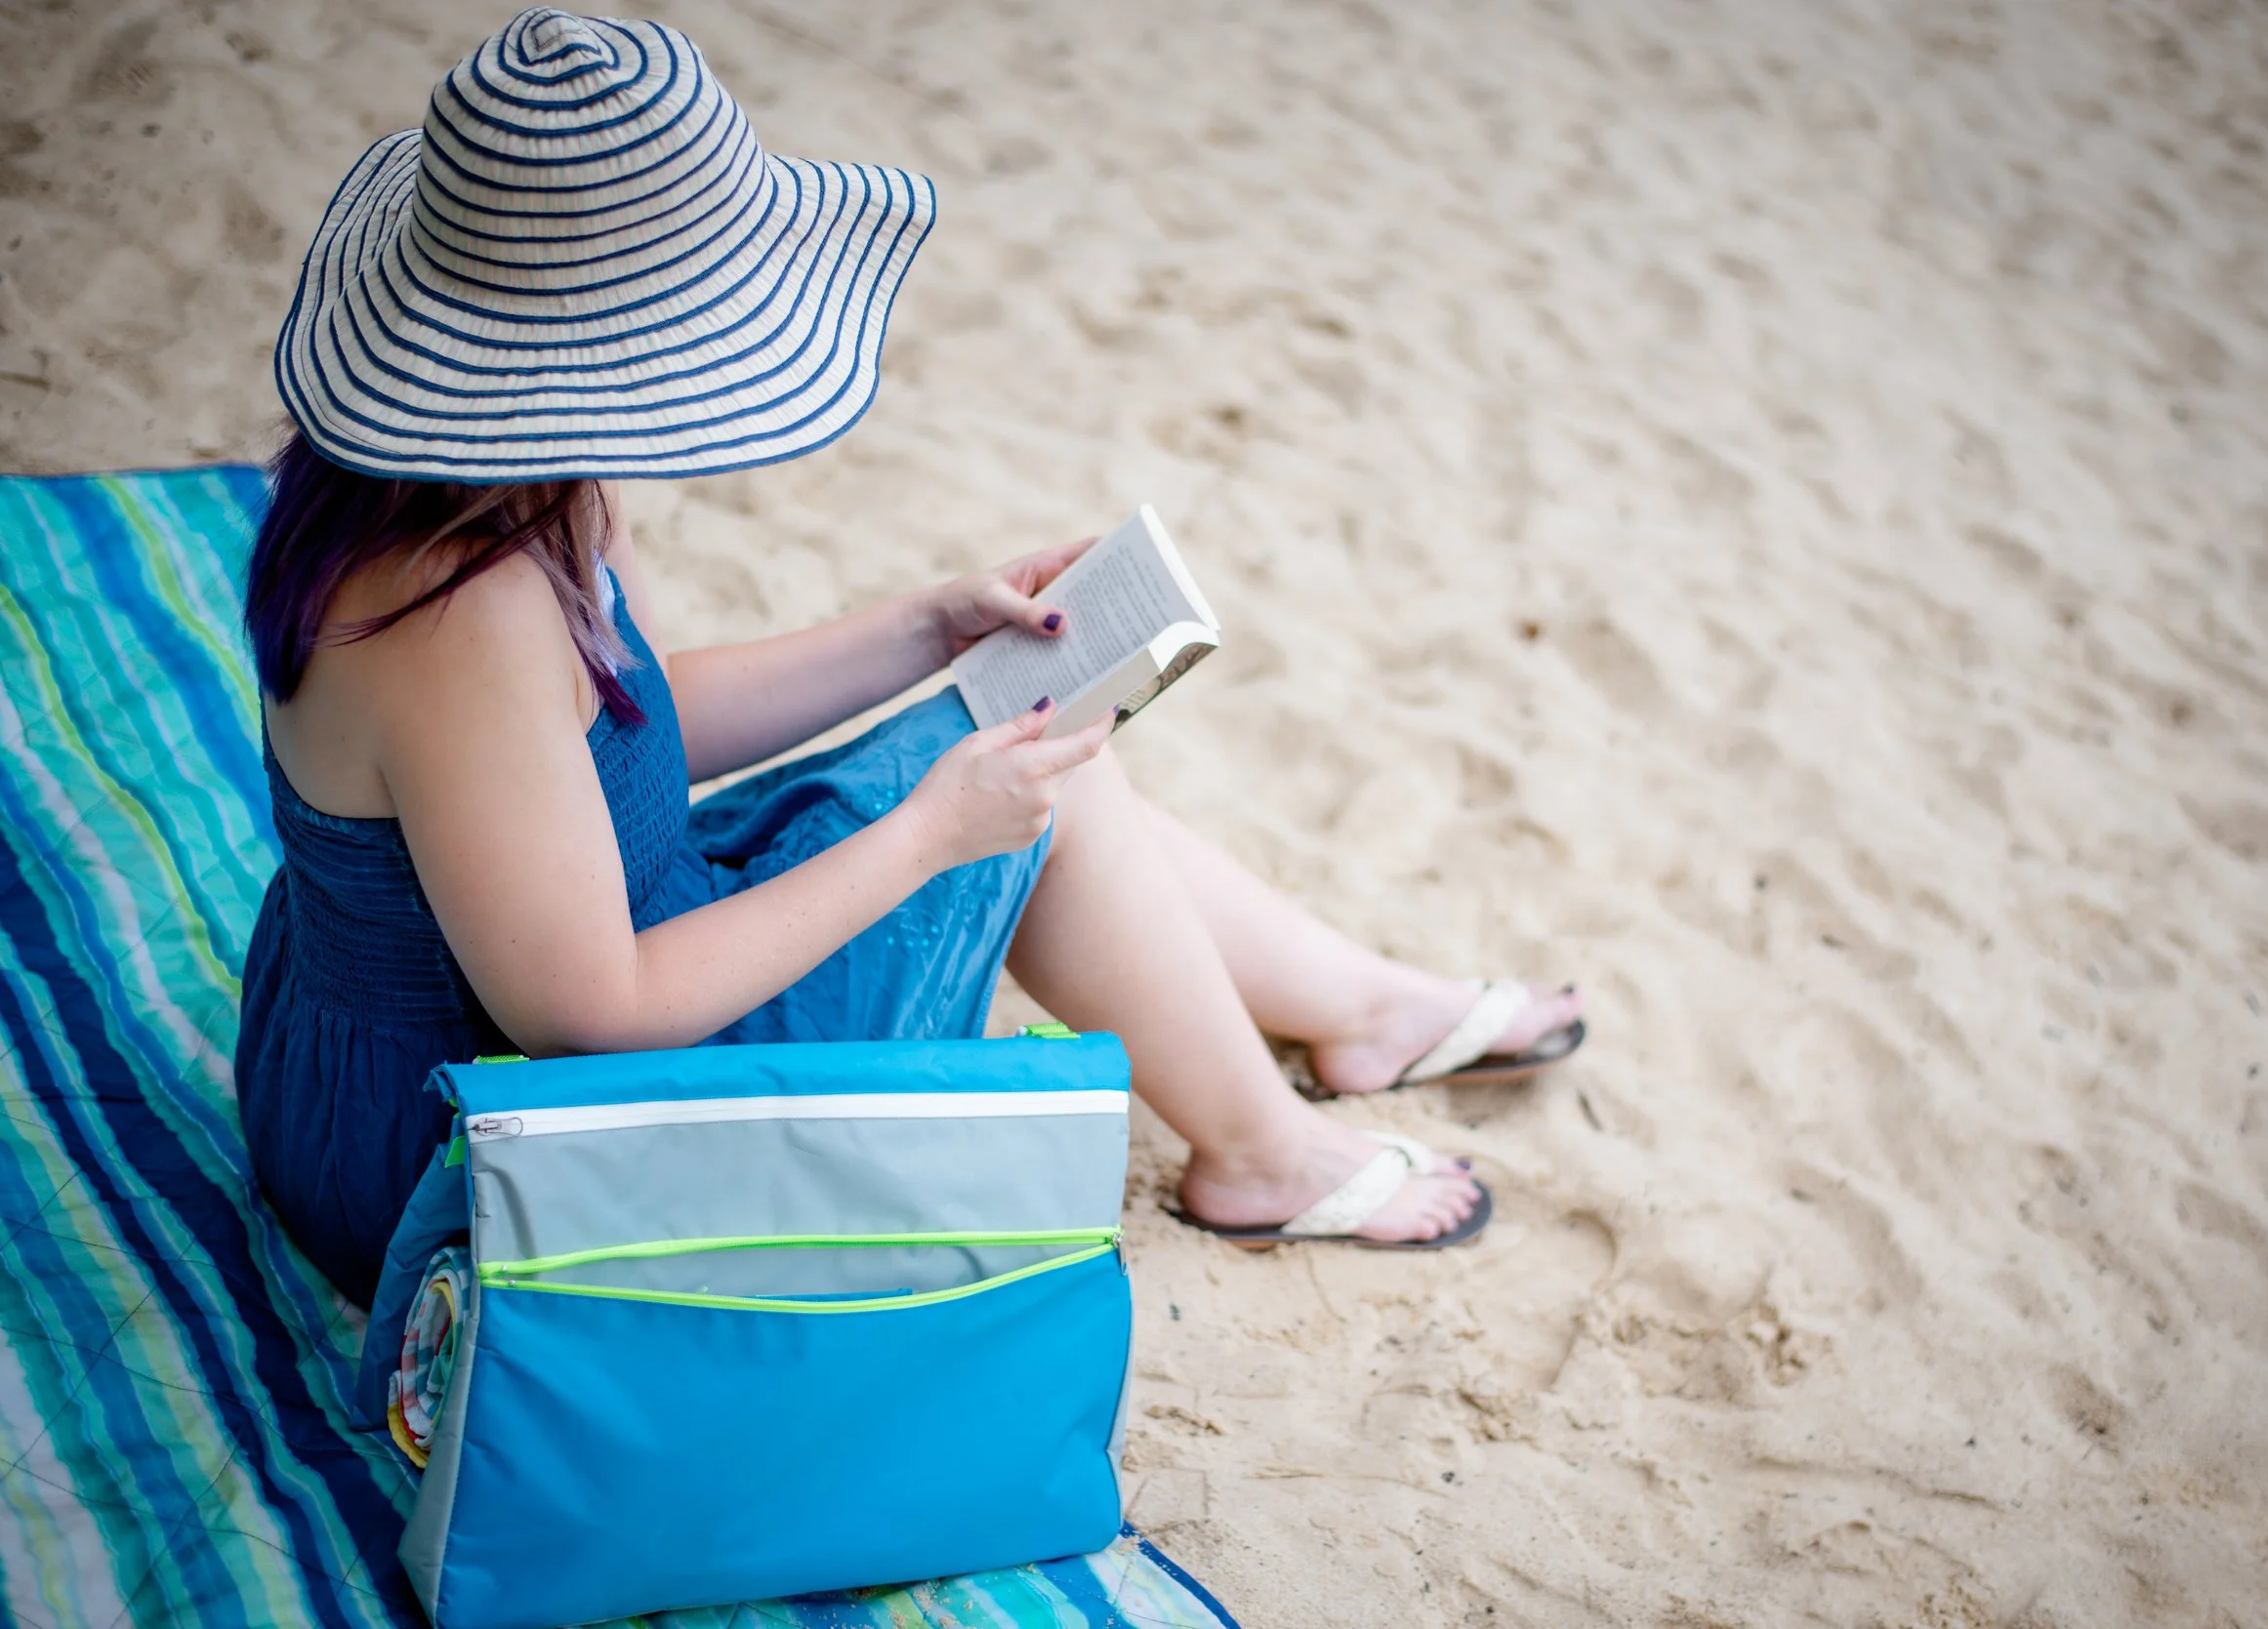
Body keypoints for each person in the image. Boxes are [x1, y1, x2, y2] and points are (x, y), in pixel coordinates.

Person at [237, 7, 1584, 1307]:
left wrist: (923, 631)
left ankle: (1359, 1007)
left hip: (552, 961)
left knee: (1011, 748)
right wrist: (931, 835)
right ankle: (1266, 1153)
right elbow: (592, 1016)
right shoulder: (453, 610)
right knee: (1020, 793)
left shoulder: (503, 478)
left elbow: (630, 723)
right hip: (460, 1139)